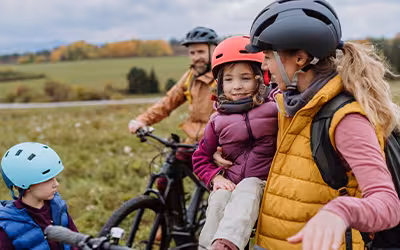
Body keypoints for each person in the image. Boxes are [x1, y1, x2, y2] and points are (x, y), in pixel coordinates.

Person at [210, 1, 400, 249]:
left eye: (268, 57)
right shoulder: (286, 108)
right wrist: (223, 151)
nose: (264, 67)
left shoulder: (345, 119)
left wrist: (342, 211)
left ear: (299, 59)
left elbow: (388, 204)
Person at [192, 36, 278, 250]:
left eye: (245, 78)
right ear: (220, 84)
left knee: (248, 184)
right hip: (233, 182)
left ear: (261, 78)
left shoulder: (275, 108)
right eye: (228, 80)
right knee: (219, 197)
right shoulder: (217, 121)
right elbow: (200, 157)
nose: (237, 86)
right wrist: (215, 177)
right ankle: (207, 246)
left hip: (264, 183)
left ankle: (227, 244)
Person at [128, 26, 219, 145]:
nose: (196, 58)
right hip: (192, 141)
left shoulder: (223, 77)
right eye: (192, 53)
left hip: (216, 143)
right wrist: (142, 120)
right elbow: (168, 102)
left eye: (201, 52)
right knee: (174, 160)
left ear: (214, 51)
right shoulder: (190, 77)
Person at [0, 142, 78, 250]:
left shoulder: (58, 208)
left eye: (54, 178)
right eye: (48, 180)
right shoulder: (6, 226)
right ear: (25, 184)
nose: (56, 184)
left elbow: (76, 243)